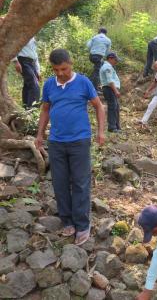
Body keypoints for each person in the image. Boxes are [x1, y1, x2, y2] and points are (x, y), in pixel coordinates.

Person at [35, 49, 105, 246]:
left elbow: (99, 106)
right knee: (59, 182)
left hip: (79, 141)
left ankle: (82, 225)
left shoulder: (83, 82)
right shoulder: (49, 84)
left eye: (63, 68)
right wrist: (40, 134)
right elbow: (46, 109)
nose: (60, 73)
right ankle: (67, 221)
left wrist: (100, 131)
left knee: (81, 182)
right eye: (56, 70)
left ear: (70, 63)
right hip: (56, 141)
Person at [12, 37, 41, 109]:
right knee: (34, 85)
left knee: (28, 86)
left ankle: (25, 108)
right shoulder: (21, 34)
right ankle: (32, 109)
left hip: (32, 63)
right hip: (23, 61)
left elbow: (34, 54)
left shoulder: (33, 38)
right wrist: (15, 61)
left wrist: (38, 70)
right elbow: (12, 46)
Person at [100, 52, 122, 133]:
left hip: (111, 88)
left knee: (116, 107)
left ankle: (116, 126)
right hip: (109, 89)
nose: (116, 62)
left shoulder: (109, 66)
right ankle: (112, 127)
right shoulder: (107, 67)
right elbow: (109, 81)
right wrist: (116, 91)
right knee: (112, 107)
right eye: (115, 60)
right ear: (110, 58)